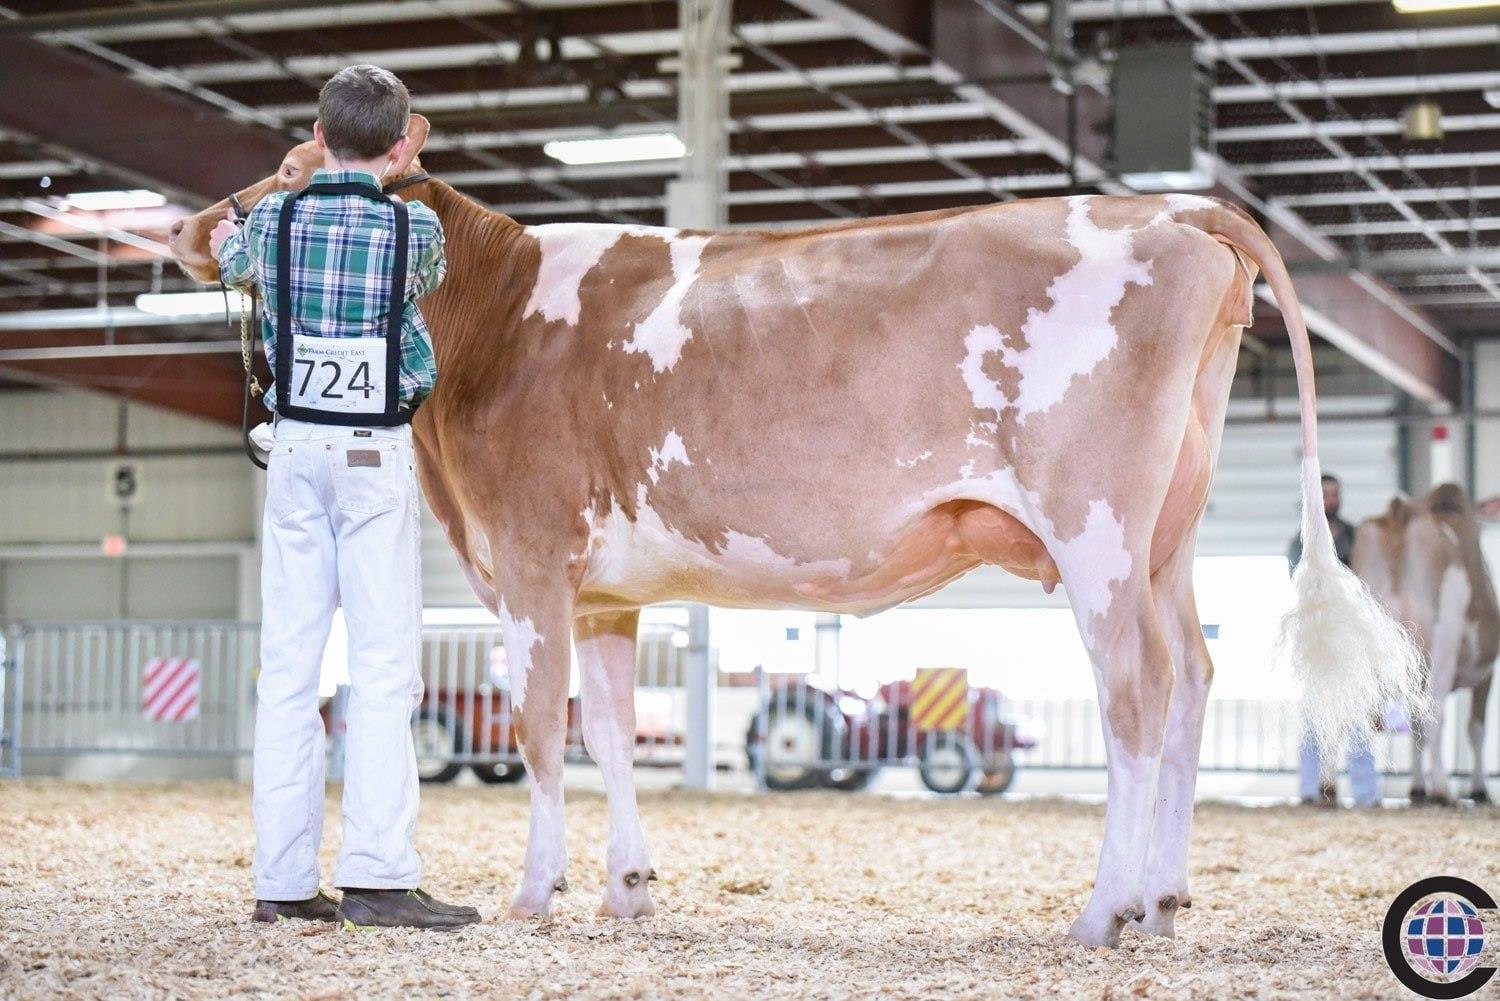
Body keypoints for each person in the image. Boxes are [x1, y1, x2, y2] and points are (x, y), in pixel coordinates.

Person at [210, 64, 477, 929]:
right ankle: (377, 875)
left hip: (294, 447)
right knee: (384, 666)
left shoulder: (274, 221)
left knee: (289, 670)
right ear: (399, 148)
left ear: (318, 136)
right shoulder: (416, 226)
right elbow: (425, 280)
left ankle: (284, 882)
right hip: (373, 450)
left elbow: (225, 251)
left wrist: (255, 213)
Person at [1287, 472, 1380, 808]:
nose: (1330, 500)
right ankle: (1312, 791)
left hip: (1352, 638)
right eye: (1324, 494)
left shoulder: (1356, 537)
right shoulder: (1300, 542)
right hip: (1319, 637)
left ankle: (1367, 797)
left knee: (1357, 720)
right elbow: (1301, 585)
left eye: (1334, 494)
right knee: (1315, 720)